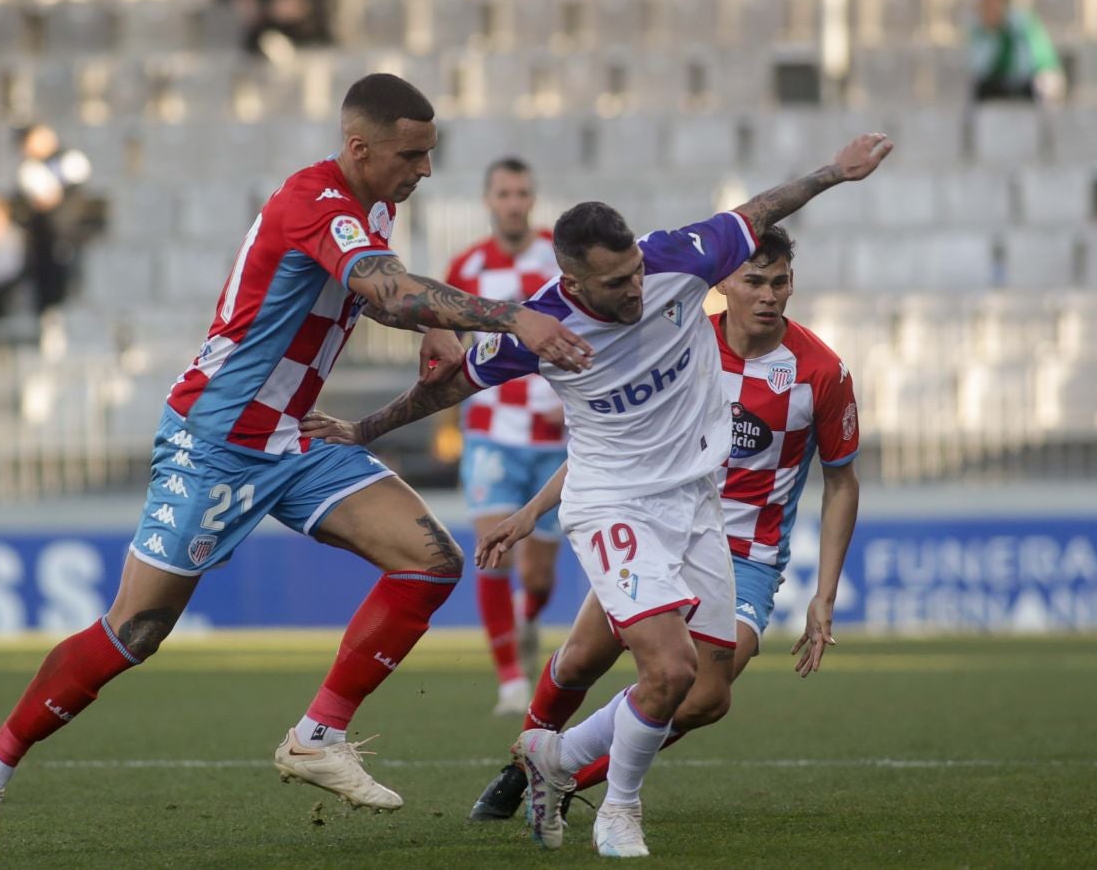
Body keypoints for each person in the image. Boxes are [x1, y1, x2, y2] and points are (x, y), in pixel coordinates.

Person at [0, 72, 592, 862]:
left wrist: (438, 333)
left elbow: (383, 285)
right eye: (412, 155)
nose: (426, 171)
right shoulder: (311, 200)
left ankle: (319, 735)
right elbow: (382, 287)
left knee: (429, 561)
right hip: (216, 438)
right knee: (138, 629)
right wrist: (502, 315)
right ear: (359, 148)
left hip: (295, 435)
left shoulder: (375, 202)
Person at [300, 133, 892, 857]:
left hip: (697, 505)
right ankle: (618, 811)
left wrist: (837, 171)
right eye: (617, 285)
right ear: (575, 284)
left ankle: (550, 756)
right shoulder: (542, 325)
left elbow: (763, 206)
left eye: (637, 274)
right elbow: (450, 383)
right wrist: (366, 427)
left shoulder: (679, 258)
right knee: (668, 669)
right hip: (612, 503)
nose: (637, 291)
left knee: (699, 690)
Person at [465, 224, 861, 823]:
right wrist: (530, 513)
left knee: (704, 696)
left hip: (747, 556)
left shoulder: (821, 373)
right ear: (724, 280)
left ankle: (564, 777)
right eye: (754, 281)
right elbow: (612, 445)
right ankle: (520, 770)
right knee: (577, 663)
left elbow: (842, 483)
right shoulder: (675, 338)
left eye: (781, 282)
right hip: (653, 521)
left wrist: (823, 596)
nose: (769, 296)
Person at [445, 157, 568, 715]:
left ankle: (527, 618)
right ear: (488, 200)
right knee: (492, 551)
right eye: (504, 193)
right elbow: (443, 347)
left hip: (554, 438)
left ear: (532, 199)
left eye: (522, 192)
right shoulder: (466, 268)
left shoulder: (559, 262)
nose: (514, 203)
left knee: (538, 575)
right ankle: (511, 681)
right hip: (492, 434)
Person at [15, 124, 92, 313]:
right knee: (47, 292)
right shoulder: (30, 169)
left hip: (70, 237)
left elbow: (73, 180)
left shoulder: (70, 158)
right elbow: (45, 197)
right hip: (44, 242)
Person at [969, 0, 1065, 103]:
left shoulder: (1020, 24)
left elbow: (1026, 65)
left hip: (1038, 79)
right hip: (1008, 82)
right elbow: (981, 67)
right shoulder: (983, 31)